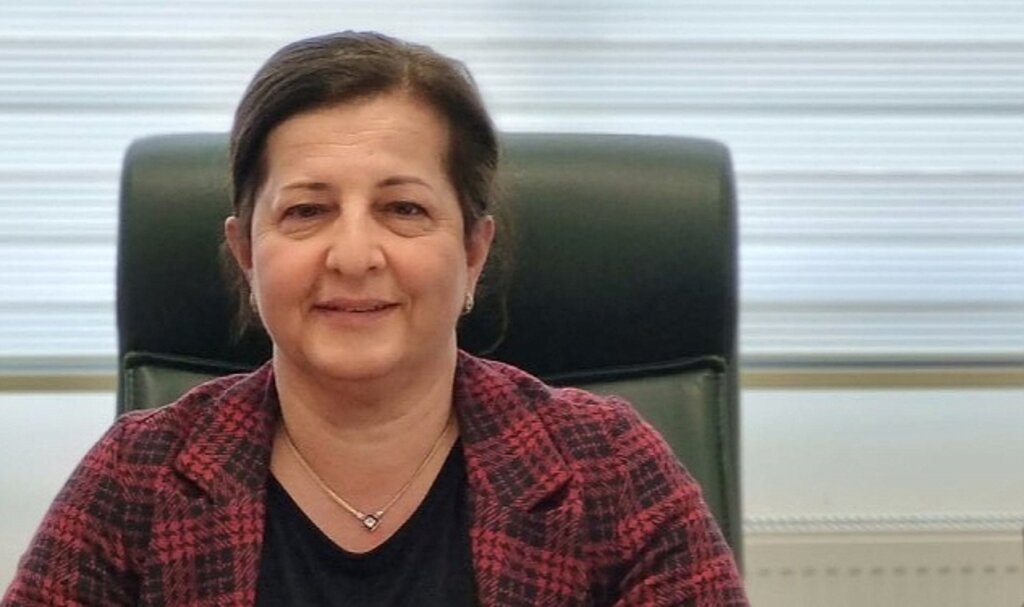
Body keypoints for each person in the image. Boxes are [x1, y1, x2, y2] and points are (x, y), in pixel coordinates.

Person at [3, 31, 748, 606]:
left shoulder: (606, 468)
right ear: (247, 253)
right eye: (306, 211)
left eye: (404, 208)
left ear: (473, 252)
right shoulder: (139, 476)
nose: (354, 256)